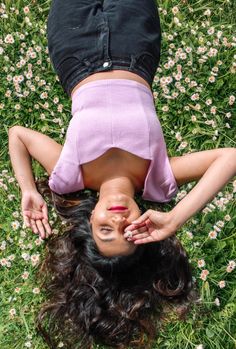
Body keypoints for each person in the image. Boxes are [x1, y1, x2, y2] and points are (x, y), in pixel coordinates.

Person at [8, 0, 236, 348]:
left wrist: (28, 189)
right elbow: (230, 157)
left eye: (104, 229)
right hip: (136, 45)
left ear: (91, 219)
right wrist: (175, 218)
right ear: (144, 227)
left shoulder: (69, 176)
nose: (117, 221)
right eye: (128, 233)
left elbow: (18, 135)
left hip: (74, 50)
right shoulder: (159, 180)